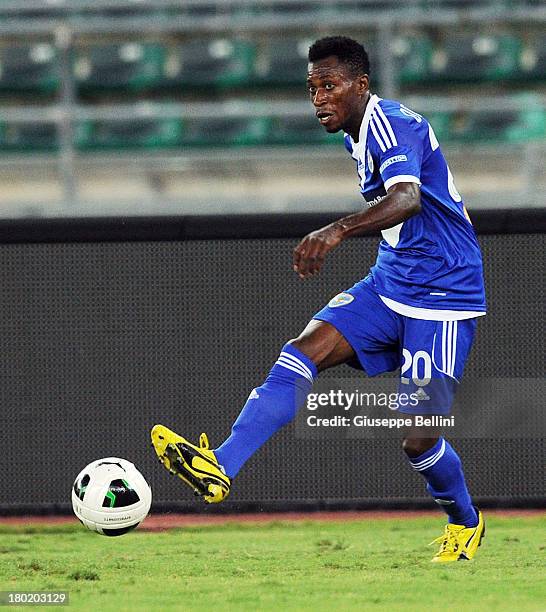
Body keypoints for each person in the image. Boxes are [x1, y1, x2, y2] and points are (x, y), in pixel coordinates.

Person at [151, 36, 486, 563]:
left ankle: (465, 522)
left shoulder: (392, 123)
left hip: (443, 291)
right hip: (391, 280)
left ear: (361, 85)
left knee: (417, 439)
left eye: (329, 86)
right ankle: (221, 465)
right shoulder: (356, 133)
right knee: (299, 352)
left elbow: (408, 198)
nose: (319, 99)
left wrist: (336, 231)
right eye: (312, 88)